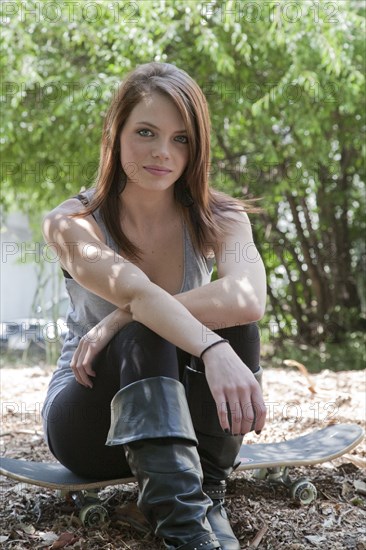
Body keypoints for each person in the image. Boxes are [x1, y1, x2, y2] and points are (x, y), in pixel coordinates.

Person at [41, 62, 267, 550]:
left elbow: (248, 299)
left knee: (232, 326)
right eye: (146, 132)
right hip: (90, 420)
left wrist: (116, 319)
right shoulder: (72, 222)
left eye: (181, 138)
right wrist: (206, 348)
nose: (163, 152)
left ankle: (206, 490)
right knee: (148, 328)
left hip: (186, 419)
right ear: (115, 133)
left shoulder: (219, 217)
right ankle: (186, 532)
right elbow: (138, 293)